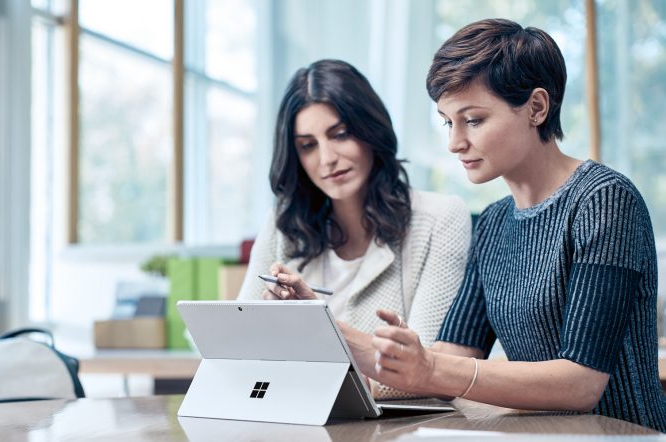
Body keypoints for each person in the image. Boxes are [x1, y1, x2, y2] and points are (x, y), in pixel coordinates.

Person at [367, 18, 665, 431]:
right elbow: (454, 355)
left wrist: (432, 367)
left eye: (473, 119)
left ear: (537, 108)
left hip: (620, 437)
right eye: (447, 122)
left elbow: (580, 383)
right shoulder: (493, 223)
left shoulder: (604, 200)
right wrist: (331, 329)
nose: (454, 142)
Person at [237, 59, 472, 398]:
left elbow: (425, 367)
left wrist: (311, 350)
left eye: (340, 134)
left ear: (370, 129)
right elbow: (235, 348)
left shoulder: (441, 218)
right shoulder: (283, 224)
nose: (327, 158)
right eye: (308, 145)